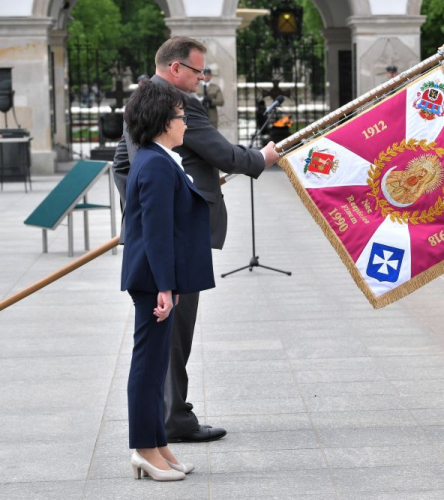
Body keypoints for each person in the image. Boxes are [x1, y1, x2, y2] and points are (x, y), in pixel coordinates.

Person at [113, 36, 281, 444]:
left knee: (163, 334)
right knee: (174, 329)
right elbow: (221, 154)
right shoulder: (176, 102)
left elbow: (121, 165)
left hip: (160, 231)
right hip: (180, 234)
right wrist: (262, 159)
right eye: (197, 70)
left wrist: (140, 210)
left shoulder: (141, 98)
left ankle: (168, 418)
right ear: (175, 69)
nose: (201, 78)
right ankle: (173, 419)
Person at [121, 81, 215, 481]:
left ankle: (158, 444)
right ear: (163, 121)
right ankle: (144, 448)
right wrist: (164, 286)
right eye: (180, 117)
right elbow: (157, 230)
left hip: (159, 277)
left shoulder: (159, 157)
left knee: (157, 364)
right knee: (148, 365)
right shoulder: (157, 163)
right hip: (152, 279)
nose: (185, 124)